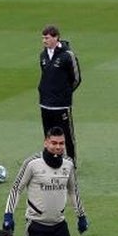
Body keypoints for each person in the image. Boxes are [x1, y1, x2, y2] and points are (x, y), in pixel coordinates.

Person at [38, 24, 82, 165]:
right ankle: (51, 160)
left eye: (47, 38)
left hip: (61, 104)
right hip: (45, 103)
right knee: (48, 134)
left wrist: (65, 93)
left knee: (67, 135)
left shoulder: (67, 55)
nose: (44, 41)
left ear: (56, 37)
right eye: (43, 38)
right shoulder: (43, 55)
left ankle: (71, 162)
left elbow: (76, 78)